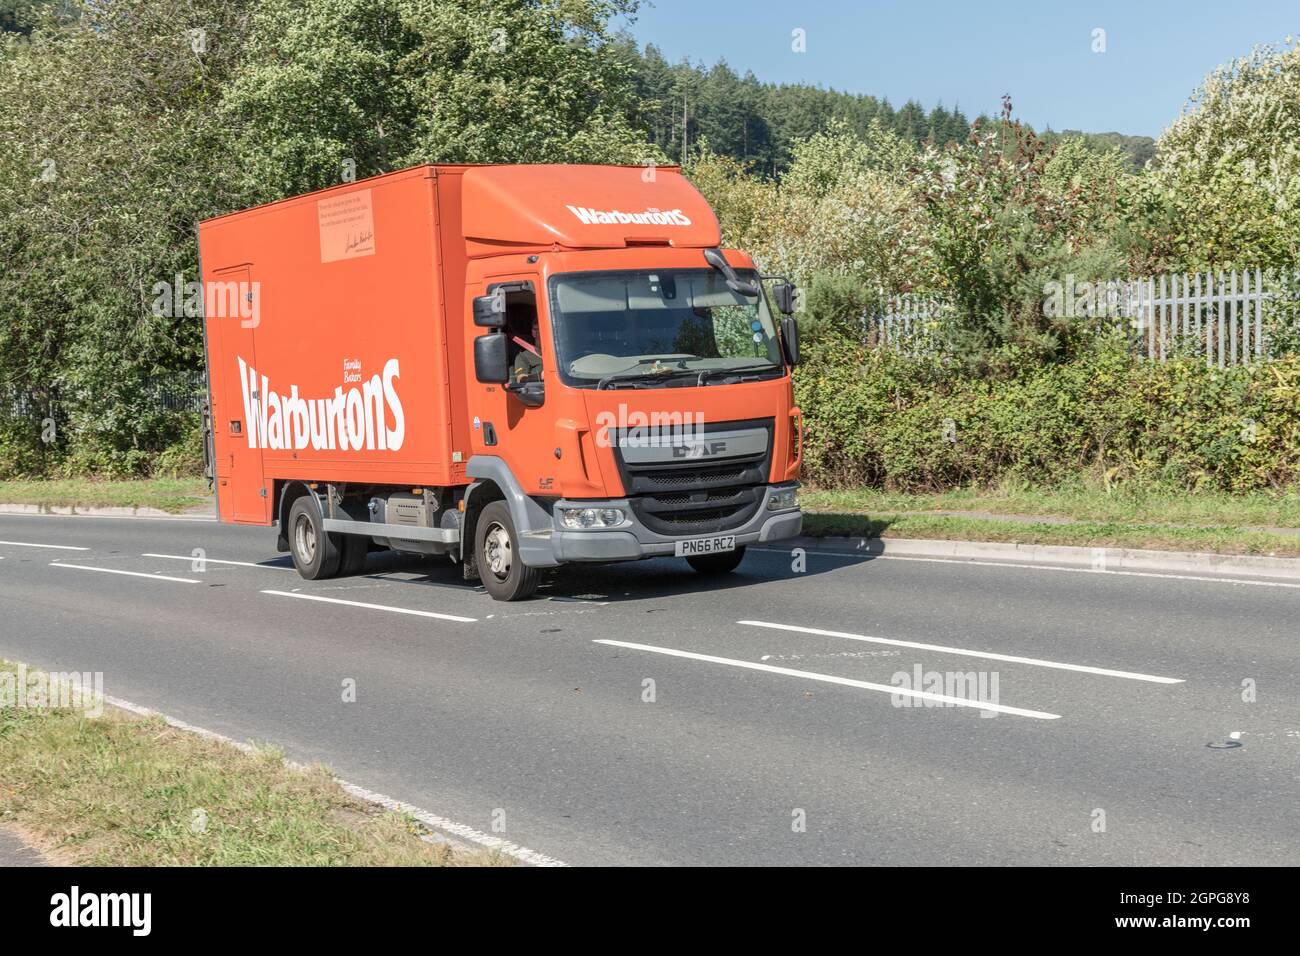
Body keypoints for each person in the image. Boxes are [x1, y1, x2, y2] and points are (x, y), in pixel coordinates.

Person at [511, 316, 543, 383]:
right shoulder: (523, 357)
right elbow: (521, 379)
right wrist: (540, 376)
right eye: (538, 329)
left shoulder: (561, 354)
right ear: (534, 333)